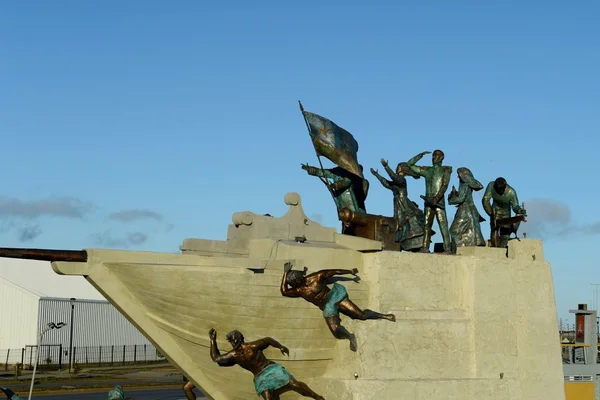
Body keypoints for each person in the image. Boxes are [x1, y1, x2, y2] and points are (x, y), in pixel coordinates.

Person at [280, 263, 395, 352]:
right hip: (327, 306)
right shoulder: (299, 290)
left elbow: (333, 272)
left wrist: (349, 272)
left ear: (300, 276)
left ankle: (384, 316)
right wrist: (285, 273)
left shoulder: (315, 277)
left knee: (361, 315)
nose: (295, 282)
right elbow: (284, 291)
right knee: (335, 329)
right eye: (293, 282)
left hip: (335, 296)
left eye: (296, 280)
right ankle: (350, 337)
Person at [209, 329, 324, 400]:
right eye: (231, 341)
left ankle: (318, 397)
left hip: (270, 369)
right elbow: (216, 358)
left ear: (240, 338)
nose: (233, 342)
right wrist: (212, 340)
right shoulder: (233, 355)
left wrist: (280, 346)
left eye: (234, 339)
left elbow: (267, 340)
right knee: (268, 397)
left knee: (293, 384)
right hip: (260, 378)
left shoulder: (252, 346)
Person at [371, 159, 428, 251]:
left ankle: (415, 244)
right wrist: (377, 175)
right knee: (399, 223)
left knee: (405, 222)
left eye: (398, 167)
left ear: (403, 169)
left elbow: (393, 177)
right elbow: (386, 183)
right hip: (398, 204)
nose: (396, 168)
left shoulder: (402, 180)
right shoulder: (396, 182)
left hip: (403, 204)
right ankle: (401, 243)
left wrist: (386, 167)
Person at [406, 150, 453, 252]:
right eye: (433, 156)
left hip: (438, 203)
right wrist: (419, 155)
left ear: (441, 158)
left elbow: (444, 185)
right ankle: (425, 247)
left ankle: (448, 248)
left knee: (443, 225)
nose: (433, 158)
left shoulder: (445, 170)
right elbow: (409, 164)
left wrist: (436, 198)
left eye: (436, 156)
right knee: (426, 226)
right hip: (428, 202)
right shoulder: (427, 170)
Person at [481, 177, 527, 247]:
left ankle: (502, 251)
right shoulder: (491, 185)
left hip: (506, 216)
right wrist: (491, 213)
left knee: (505, 236)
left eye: (501, 189)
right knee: (494, 237)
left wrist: (519, 210)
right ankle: (495, 251)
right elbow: (485, 200)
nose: (499, 191)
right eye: (498, 189)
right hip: (494, 213)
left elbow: (515, 206)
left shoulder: (511, 192)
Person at [447, 167, 486, 249]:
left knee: (454, 230)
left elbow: (461, 199)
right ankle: (463, 246)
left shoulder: (464, 185)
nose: (458, 177)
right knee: (465, 230)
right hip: (467, 209)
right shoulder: (464, 184)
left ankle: (460, 247)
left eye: (459, 175)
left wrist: (451, 200)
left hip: (465, 210)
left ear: (463, 176)